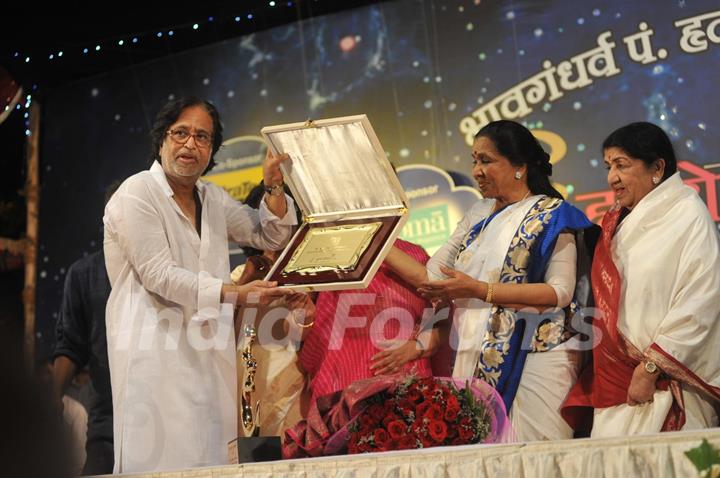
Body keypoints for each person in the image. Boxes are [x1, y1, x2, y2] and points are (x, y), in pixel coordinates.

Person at [103, 97, 297, 473]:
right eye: (181, 133)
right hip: (155, 359)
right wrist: (235, 293)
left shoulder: (212, 197)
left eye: (203, 137)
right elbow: (159, 274)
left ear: (211, 150)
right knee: (161, 462)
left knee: (212, 463)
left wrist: (273, 188)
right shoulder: (136, 193)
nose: (191, 144)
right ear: (161, 140)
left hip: (211, 360)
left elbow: (268, 237)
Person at [383, 120, 594, 441]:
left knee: (539, 461)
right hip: (475, 354)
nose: (477, 170)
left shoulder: (552, 214)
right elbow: (432, 276)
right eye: (474, 160)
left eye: (487, 161)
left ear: (520, 167)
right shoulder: (477, 214)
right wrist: (374, 236)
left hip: (537, 357)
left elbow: (560, 292)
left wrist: (481, 290)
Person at [562, 122, 720, 437]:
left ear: (658, 167)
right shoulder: (618, 224)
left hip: (667, 380)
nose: (612, 178)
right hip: (615, 381)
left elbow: (702, 299)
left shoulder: (687, 214)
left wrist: (651, 367)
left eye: (622, 165)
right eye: (608, 167)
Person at [52, 181, 119, 475]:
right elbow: (70, 344)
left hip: (166, 415)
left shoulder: (164, 271)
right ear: (106, 218)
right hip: (108, 421)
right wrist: (53, 397)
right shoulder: (84, 274)